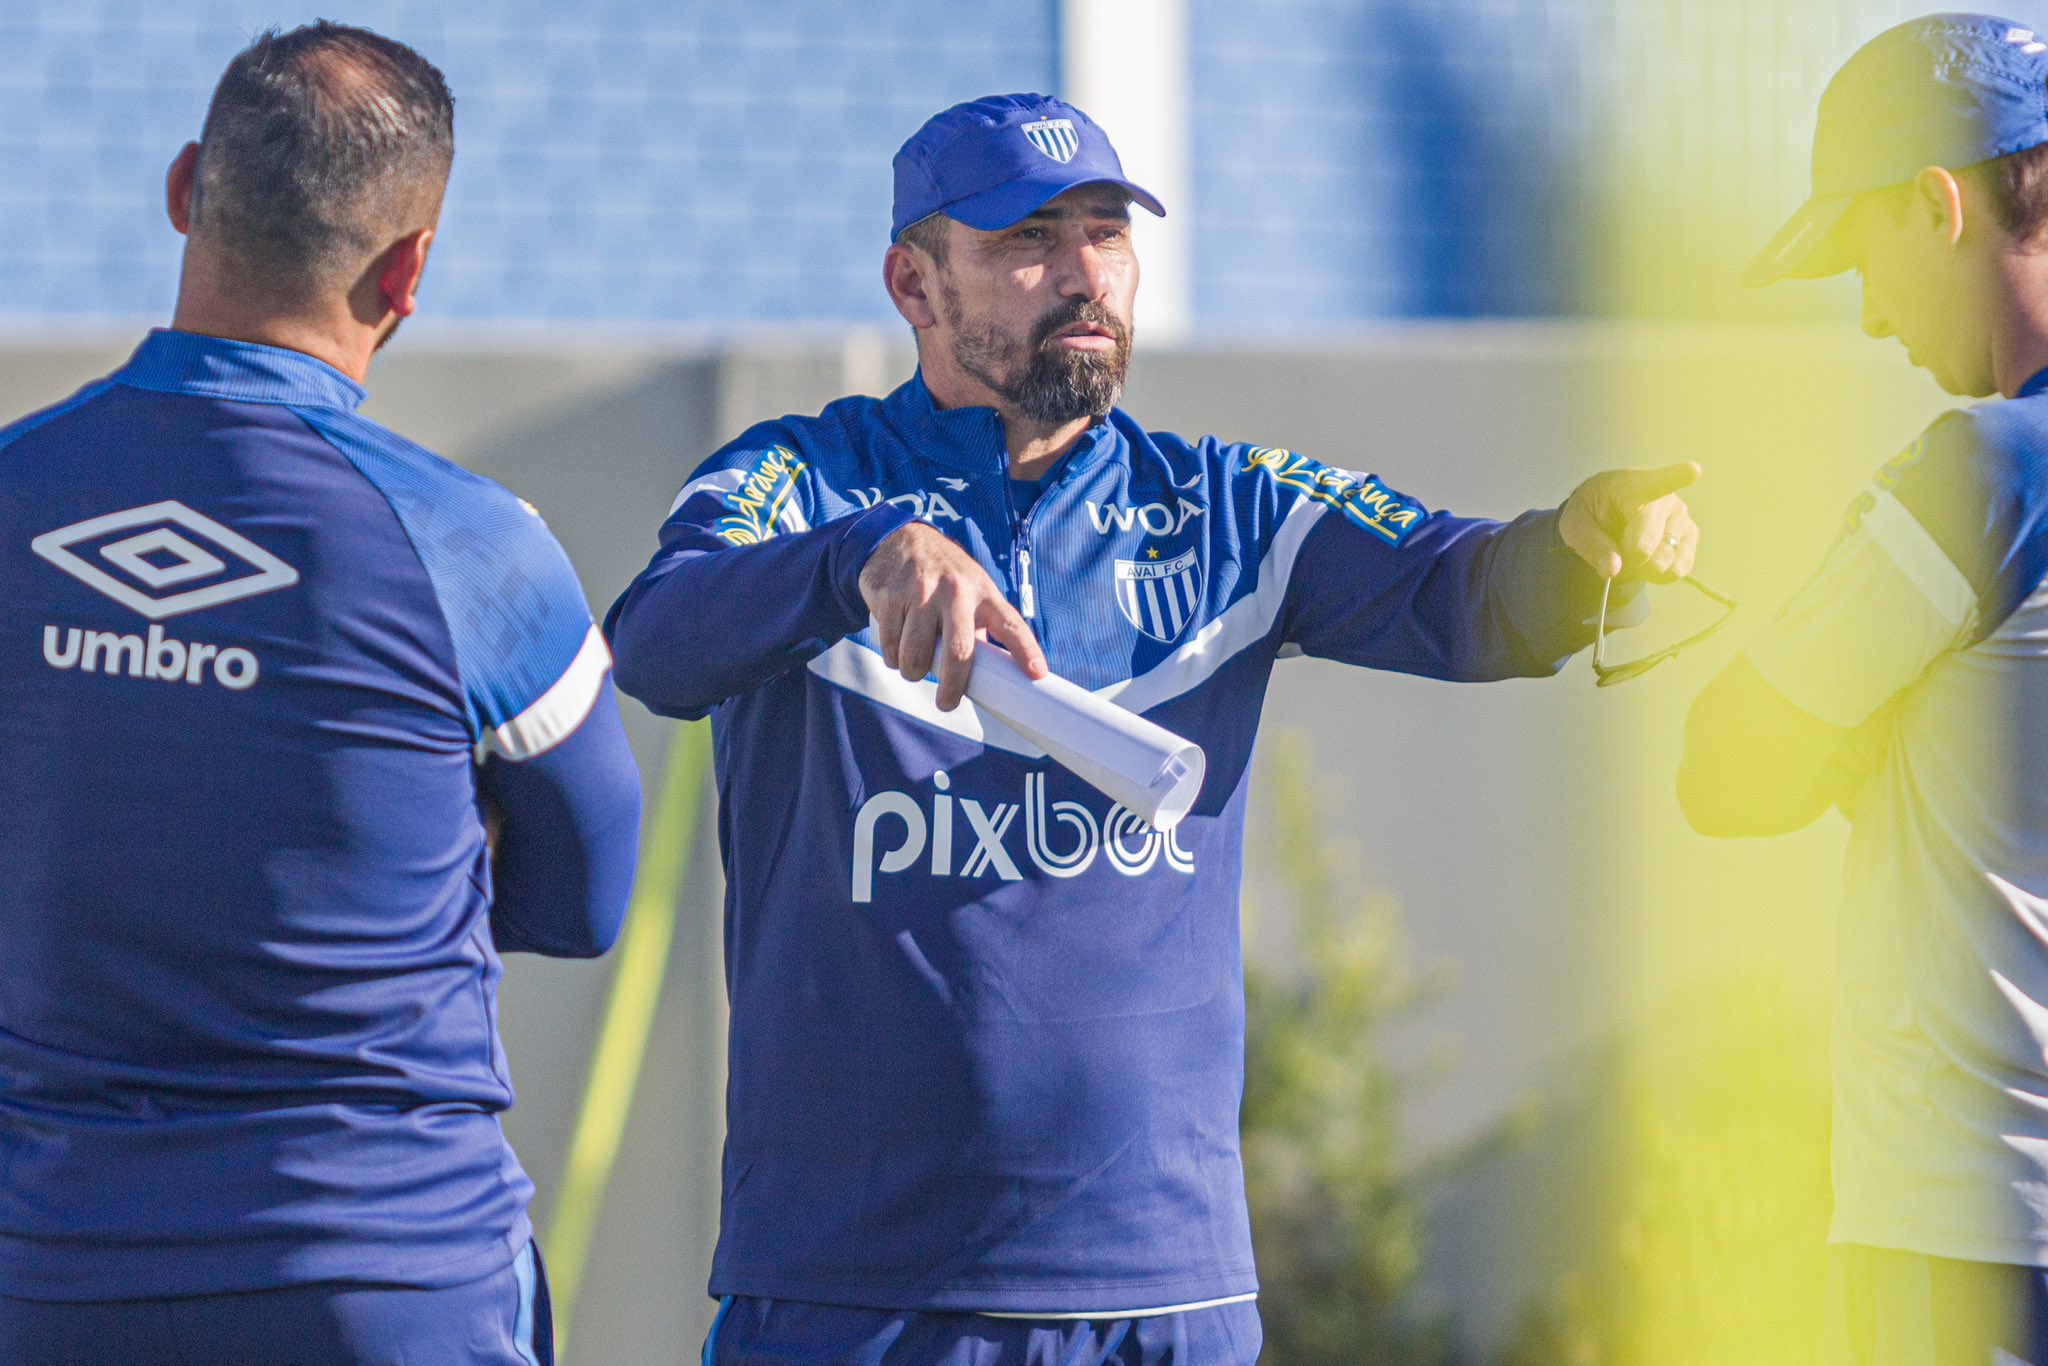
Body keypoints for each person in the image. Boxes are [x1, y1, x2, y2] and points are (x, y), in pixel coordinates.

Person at [608, 92, 1700, 1365]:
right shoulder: (802, 481)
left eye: (1105, 233)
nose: (1081, 274)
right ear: (913, 282)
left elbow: (1465, 597)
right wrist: (859, 557)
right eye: (1027, 240)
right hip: (852, 1299)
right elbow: (658, 639)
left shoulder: (1228, 507)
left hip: (1160, 1302)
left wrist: (1577, 544)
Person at [0, 23, 642, 1366]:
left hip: (52, 1277)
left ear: (184, 187)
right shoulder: (475, 543)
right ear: (409, 270)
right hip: (385, 1281)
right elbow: (584, 902)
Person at [1681, 14, 2048, 1364]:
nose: (1871, 312)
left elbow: (1725, 770)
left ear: (1937, 203)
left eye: (1863, 255)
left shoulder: (1990, 469)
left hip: (1973, 1232)